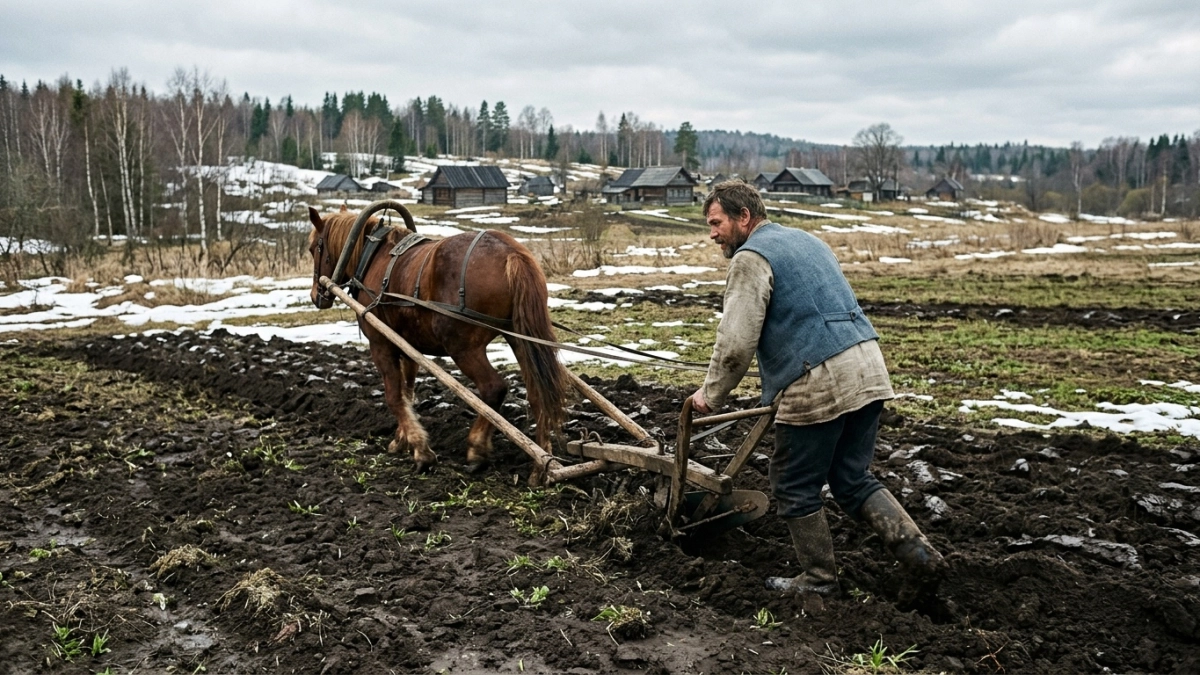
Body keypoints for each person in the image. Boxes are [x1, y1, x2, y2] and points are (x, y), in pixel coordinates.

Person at [690, 180, 943, 595]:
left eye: (716, 223)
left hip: (820, 378)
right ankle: (919, 554)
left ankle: (819, 581)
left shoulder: (750, 258)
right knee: (851, 478)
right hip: (868, 366)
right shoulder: (807, 241)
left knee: (793, 483)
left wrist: (710, 395)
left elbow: (736, 342)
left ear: (744, 218)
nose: (712, 233)